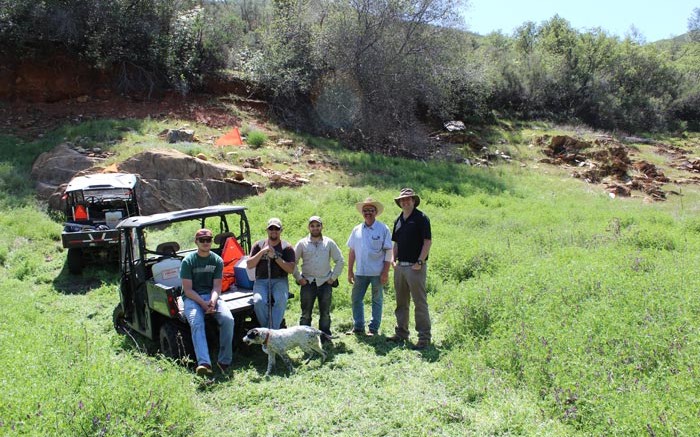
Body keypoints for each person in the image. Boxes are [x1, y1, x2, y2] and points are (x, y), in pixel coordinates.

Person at [180, 228, 234, 376]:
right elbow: (188, 290)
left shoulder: (217, 260)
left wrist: (212, 301)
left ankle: (224, 361)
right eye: (202, 240)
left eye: (208, 240)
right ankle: (204, 363)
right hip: (192, 298)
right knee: (197, 322)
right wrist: (204, 305)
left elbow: (217, 286)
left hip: (211, 296)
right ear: (196, 242)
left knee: (228, 319)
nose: (205, 243)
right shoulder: (188, 261)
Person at [388, 188, 433, 350]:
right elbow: (396, 243)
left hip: (415, 268)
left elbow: (427, 242)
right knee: (401, 302)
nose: (405, 202)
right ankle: (401, 333)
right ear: (400, 203)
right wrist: (393, 259)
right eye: (402, 200)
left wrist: (420, 262)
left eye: (408, 199)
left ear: (414, 201)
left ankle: (424, 338)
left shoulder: (421, 218)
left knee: (419, 302)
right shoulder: (398, 220)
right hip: (400, 267)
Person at [346, 198, 393, 336]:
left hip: (377, 272)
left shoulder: (383, 229)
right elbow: (352, 251)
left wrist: (385, 272)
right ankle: (358, 326)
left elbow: (389, 251)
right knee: (356, 299)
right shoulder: (356, 230)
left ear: (376, 212)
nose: (368, 213)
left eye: (371, 210)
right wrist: (350, 271)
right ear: (362, 213)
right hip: (360, 271)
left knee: (377, 300)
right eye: (365, 211)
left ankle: (373, 328)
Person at [293, 216, 345, 339]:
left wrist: (333, 277)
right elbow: (292, 262)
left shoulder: (329, 243)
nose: (315, 228)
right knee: (305, 314)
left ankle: (325, 336)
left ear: (322, 226)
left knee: (325, 313)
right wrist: (299, 277)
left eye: (318, 225)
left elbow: (340, 260)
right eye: (312, 225)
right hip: (308, 283)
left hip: (325, 282)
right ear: (308, 227)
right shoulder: (302, 243)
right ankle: (304, 337)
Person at [248, 218, 296, 329]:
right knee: (259, 301)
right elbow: (250, 264)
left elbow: (290, 269)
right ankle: (268, 330)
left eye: (277, 229)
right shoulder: (258, 245)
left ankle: (270, 332)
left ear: (281, 230)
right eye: (271, 228)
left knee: (280, 300)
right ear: (267, 230)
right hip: (261, 281)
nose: (273, 231)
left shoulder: (286, 247)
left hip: (280, 280)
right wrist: (262, 252)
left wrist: (275, 256)